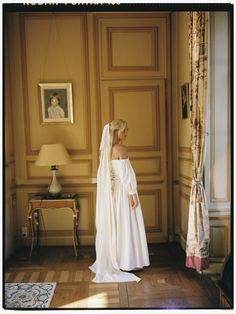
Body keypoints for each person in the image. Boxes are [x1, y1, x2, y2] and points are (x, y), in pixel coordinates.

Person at [89, 119, 150, 283]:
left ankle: (120, 259)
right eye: (124, 131)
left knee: (119, 225)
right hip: (124, 192)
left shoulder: (107, 150)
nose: (126, 134)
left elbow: (110, 175)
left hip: (114, 194)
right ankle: (129, 261)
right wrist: (132, 193)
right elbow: (126, 174)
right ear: (117, 132)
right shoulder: (121, 148)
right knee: (127, 224)